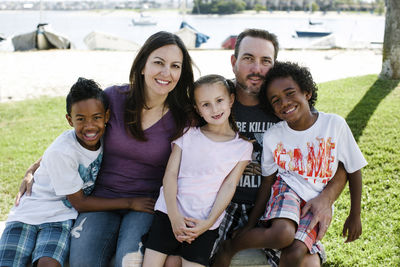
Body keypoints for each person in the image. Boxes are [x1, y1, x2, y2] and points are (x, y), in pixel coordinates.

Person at [15, 31, 195, 267]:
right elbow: (74, 140)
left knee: (128, 262)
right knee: (82, 262)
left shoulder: (184, 117)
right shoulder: (114, 97)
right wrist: (33, 168)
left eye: (175, 66)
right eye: (158, 63)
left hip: (146, 204)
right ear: (142, 66)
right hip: (100, 199)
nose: (166, 73)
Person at [210, 29, 349, 267]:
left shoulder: (285, 107)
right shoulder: (216, 100)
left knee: (307, 263)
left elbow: (340, 164)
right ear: (234, 62)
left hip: (276, 206)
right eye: (248, 59)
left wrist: (326, 198)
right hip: (222, 204)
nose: (257, 68)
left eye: (265, 61)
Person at [0, 77, 113, 267]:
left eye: (96, 117)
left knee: (48, 263)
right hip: (28, 212)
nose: (90, 126)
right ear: (69, 120)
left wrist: (32, 168)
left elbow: (49, 156)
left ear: (106, 116)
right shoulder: (63, 149)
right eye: (80, 119)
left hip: (60, 216)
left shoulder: (104, 138)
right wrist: (131, 202)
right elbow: (79, 202)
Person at [142, 74, 253, 267]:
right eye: (206, 104)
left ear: (231, 100)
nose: (215, 109)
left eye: (219, 101)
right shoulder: (188, 134)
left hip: (203, 223)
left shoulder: (242, 146)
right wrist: (174, 216)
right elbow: (170, 176)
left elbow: (229, 186)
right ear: (197, 109)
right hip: (169, 214)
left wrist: (208, 223)